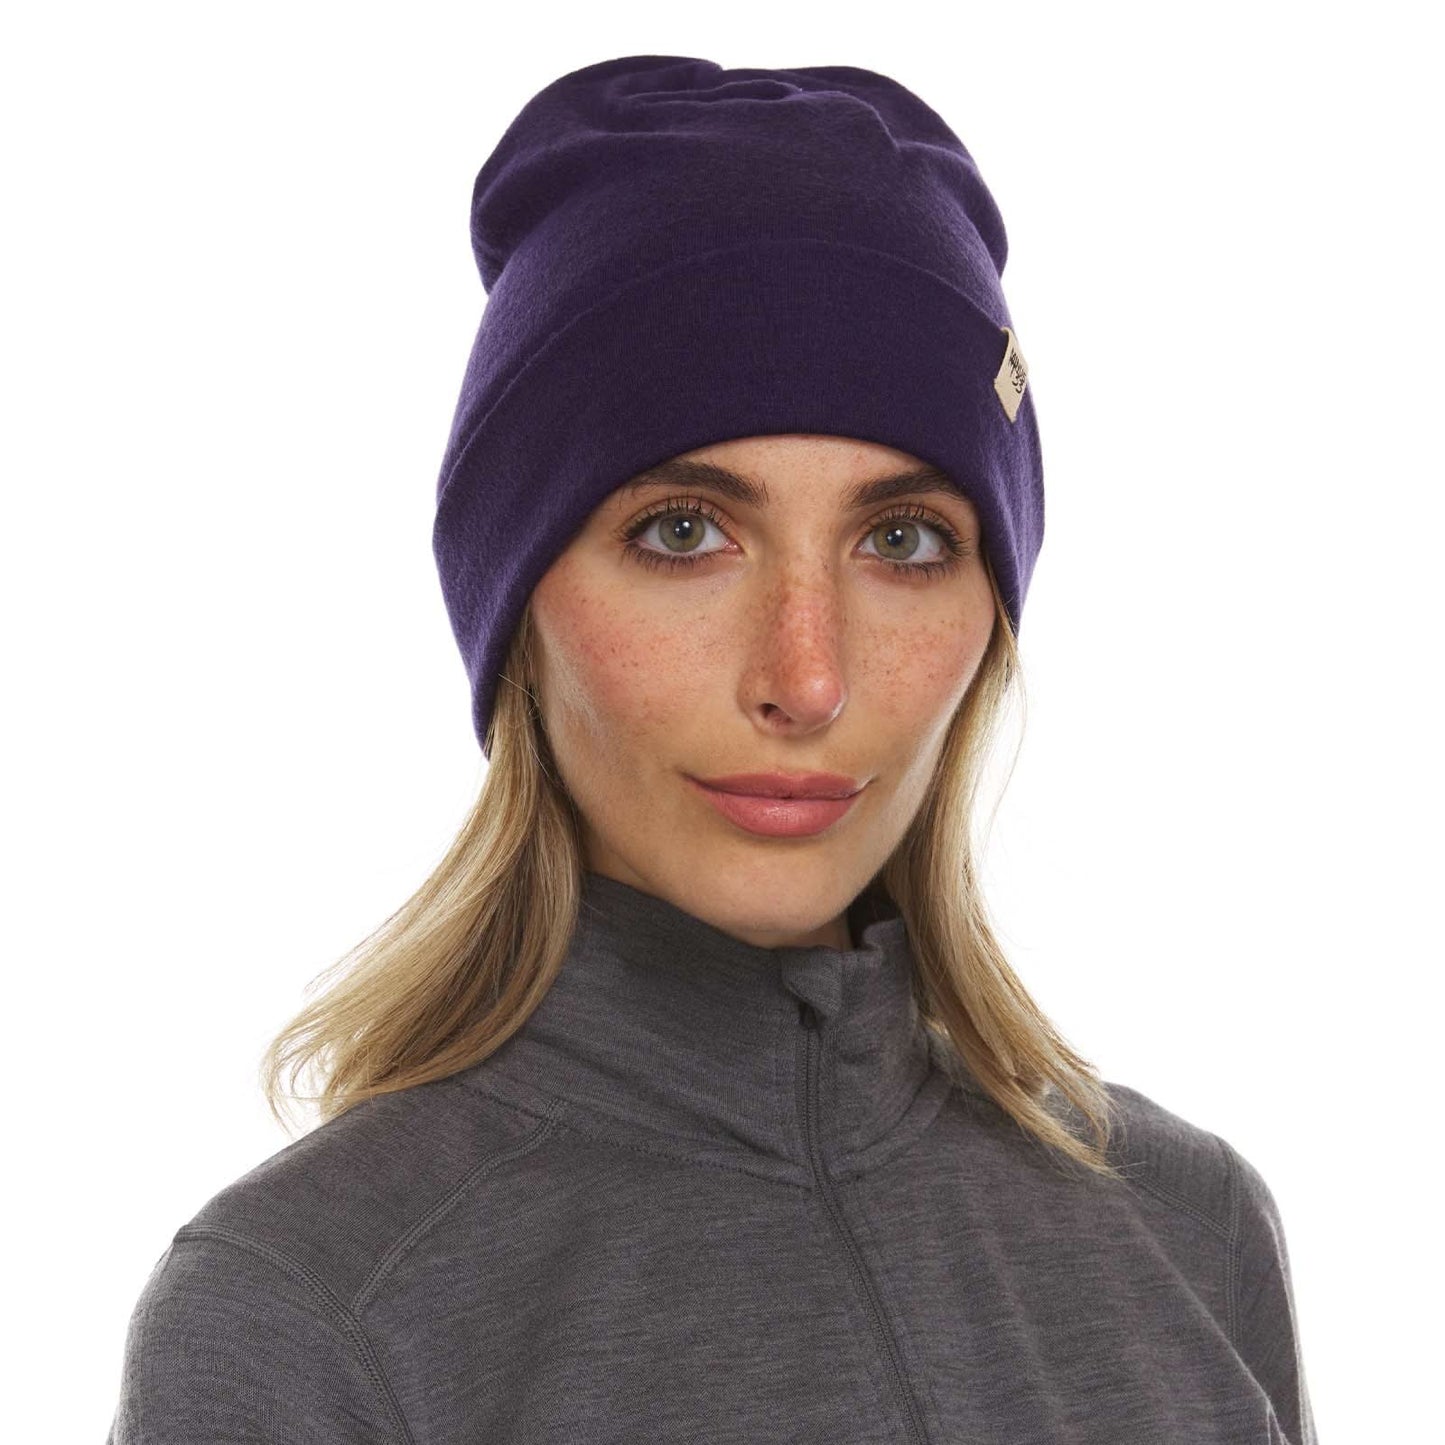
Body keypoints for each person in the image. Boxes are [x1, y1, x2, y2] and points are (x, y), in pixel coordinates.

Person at [105, 54, 1317, 1444]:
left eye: (903, 538)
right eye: (683, 532)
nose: (805, 677)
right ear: (517, 607)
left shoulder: (1189, 1229)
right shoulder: (309, 1311)